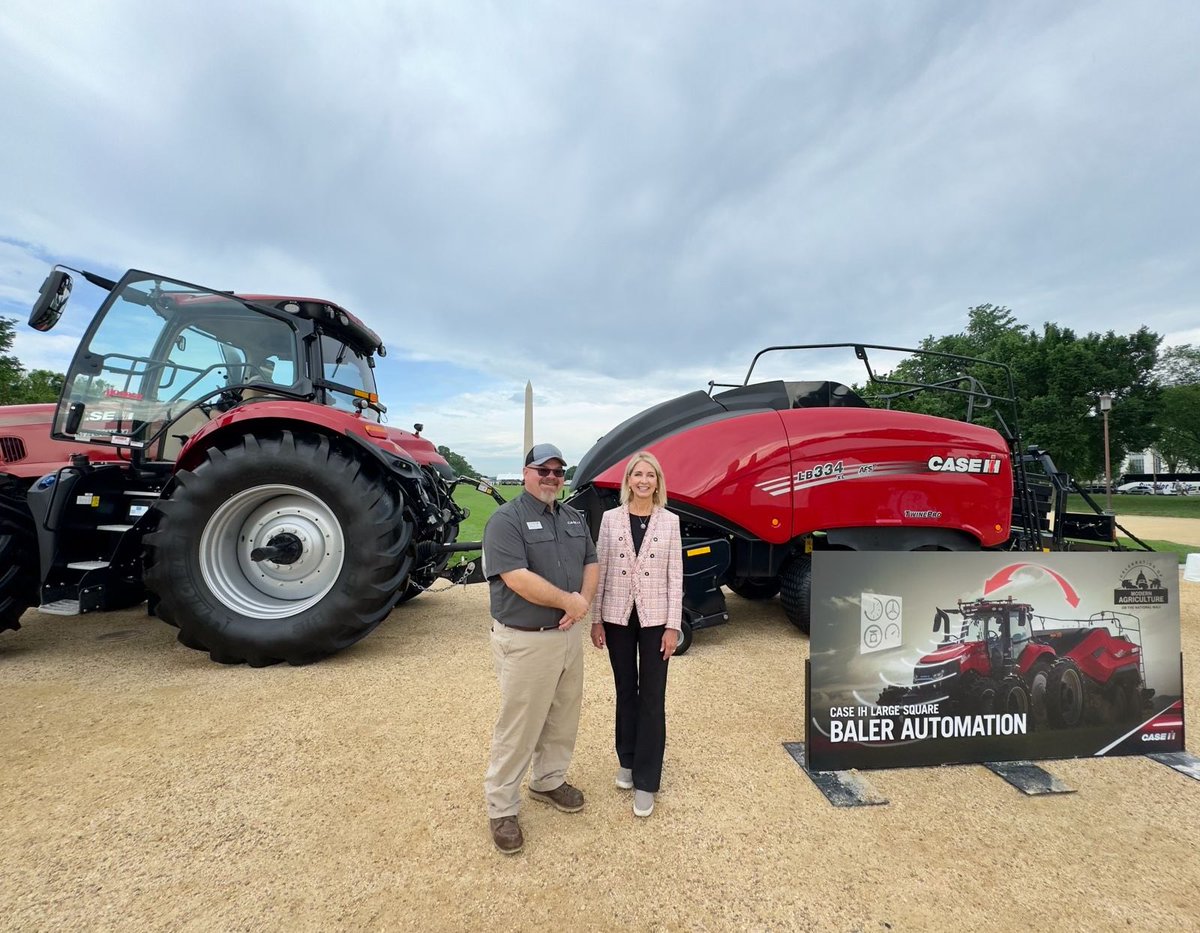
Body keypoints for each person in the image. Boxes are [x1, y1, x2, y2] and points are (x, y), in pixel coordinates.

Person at [481, 443, 598, 855]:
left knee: (563, 717)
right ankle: (501, 806)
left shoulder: (571, 517)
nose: (551, 477)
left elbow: (590, 561)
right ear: (526, 472)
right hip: (526, 639)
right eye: (542, 470)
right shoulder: (505, 520)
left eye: (557, 472)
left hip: (567, 636)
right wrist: (570, 602)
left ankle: (548, 780)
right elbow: (515, 577)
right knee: (520, 725)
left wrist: (580, 603)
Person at [589, 450, 683, 817]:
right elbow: (601, 572)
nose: (643, 481)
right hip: (616, 617)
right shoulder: (611, 521)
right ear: (627, 480)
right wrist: (596, 618)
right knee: (625, 690)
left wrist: (673, 625)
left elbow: (675, 578)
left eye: (650, 475)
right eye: (637, 474)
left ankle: (647, 780)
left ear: (658, 482)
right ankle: (626, 760)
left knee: (652, 696)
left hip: (656, 619)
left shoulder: (670, 522)